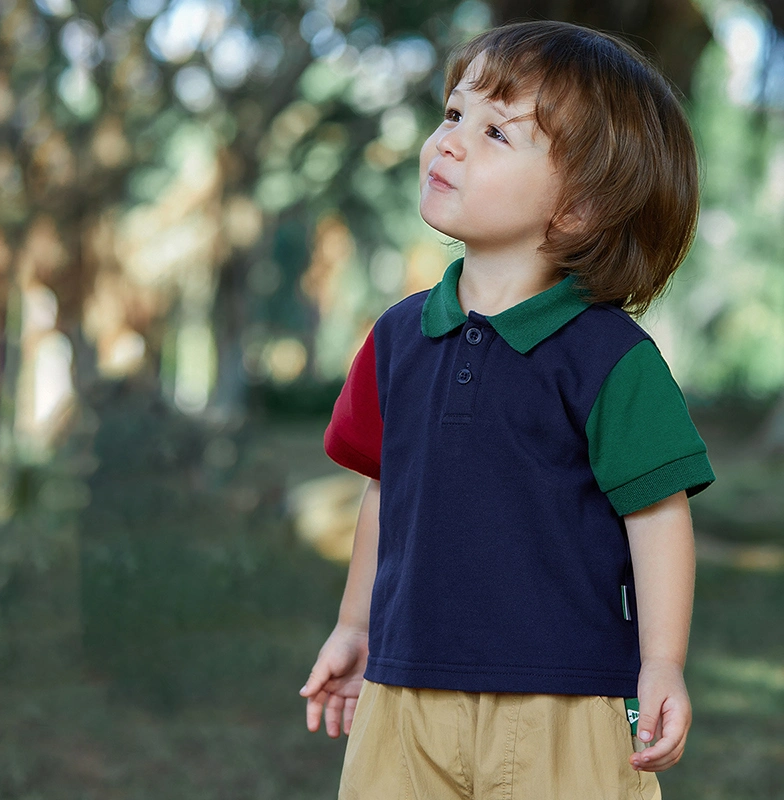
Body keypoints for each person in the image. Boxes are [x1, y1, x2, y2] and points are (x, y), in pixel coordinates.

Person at [299, 20, 715, 800]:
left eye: (497, 132)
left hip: (563, 702)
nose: (448, 141)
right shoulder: (396, 336)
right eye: (453, 114)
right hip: (403, 695)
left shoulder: (611, 359)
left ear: (581, 208)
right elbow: (385, 494)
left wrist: (661, 663)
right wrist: (356, 629)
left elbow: (657, 515)